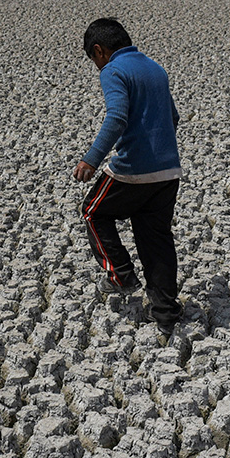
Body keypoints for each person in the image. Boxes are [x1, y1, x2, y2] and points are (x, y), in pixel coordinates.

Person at [73, 18, 183, 334]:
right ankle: (165, 314)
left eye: (93, 60)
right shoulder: (154, 68)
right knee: (156, 238)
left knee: (93, 211)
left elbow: (117, 117)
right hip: (168, 170)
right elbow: (172, 117)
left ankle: (120, 274)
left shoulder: (113, 70)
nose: (96, 67)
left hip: (132, 170)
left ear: (99, 50)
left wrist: (91, 160)